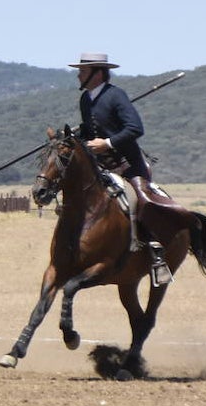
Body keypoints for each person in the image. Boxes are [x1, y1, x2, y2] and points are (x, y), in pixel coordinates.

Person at [69, 52, 172, 284]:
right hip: (101, 167)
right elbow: (90, 130)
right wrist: (73, 136)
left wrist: (107, 143)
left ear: (97, 73)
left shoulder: (117, 96)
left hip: (128, 165)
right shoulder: (86, 99)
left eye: (82, 71)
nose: (78, 75)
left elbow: (135, 129)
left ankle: (156, 253)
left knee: (142, 201)